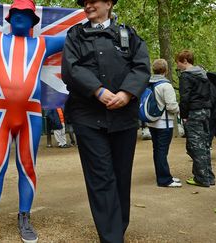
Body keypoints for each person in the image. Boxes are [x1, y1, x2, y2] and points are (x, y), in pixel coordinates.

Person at [0, 0, 65, 242]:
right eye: (16, 13)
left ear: (34, 20)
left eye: (26, 13)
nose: (21, 17)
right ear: (9, 17)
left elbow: (75, 34)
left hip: (30, 114)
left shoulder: (43, 43)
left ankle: (24, 217)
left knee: (28, 168)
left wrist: (99, 15)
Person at [61, 0, 150, 242]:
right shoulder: (75, 35)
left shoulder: (128, 34)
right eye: (85, 2)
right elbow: (71, 68)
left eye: (93, 1)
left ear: (109, 3)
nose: (88, 5)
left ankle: (116, 230)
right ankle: (111, 237)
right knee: (101, 177)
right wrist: (98, 91)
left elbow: (141, 67)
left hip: (124, 118)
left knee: (121, 176)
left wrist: (126, 93)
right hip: (88, 117)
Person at [176, 49, 215, 187]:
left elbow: (184, 98)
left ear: (185, 61)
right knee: (204, 144)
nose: (178, 66)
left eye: (178, 63)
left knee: (195, 146)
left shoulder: (186, 76)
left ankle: (202, 178)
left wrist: (184, 115)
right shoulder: (204, 74)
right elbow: (212, 94)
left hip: (194, 113)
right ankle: (209, 176)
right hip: (206, 112)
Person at [146, 59, 181, 187]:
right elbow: (171, 106)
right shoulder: (166, 85)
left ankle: (163, 175)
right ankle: (164, 179)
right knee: (162, 151)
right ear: (166, 70)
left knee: (157, 150)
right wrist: (179, 109)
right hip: (164, 123)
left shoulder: (148, 83)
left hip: (152, 122)